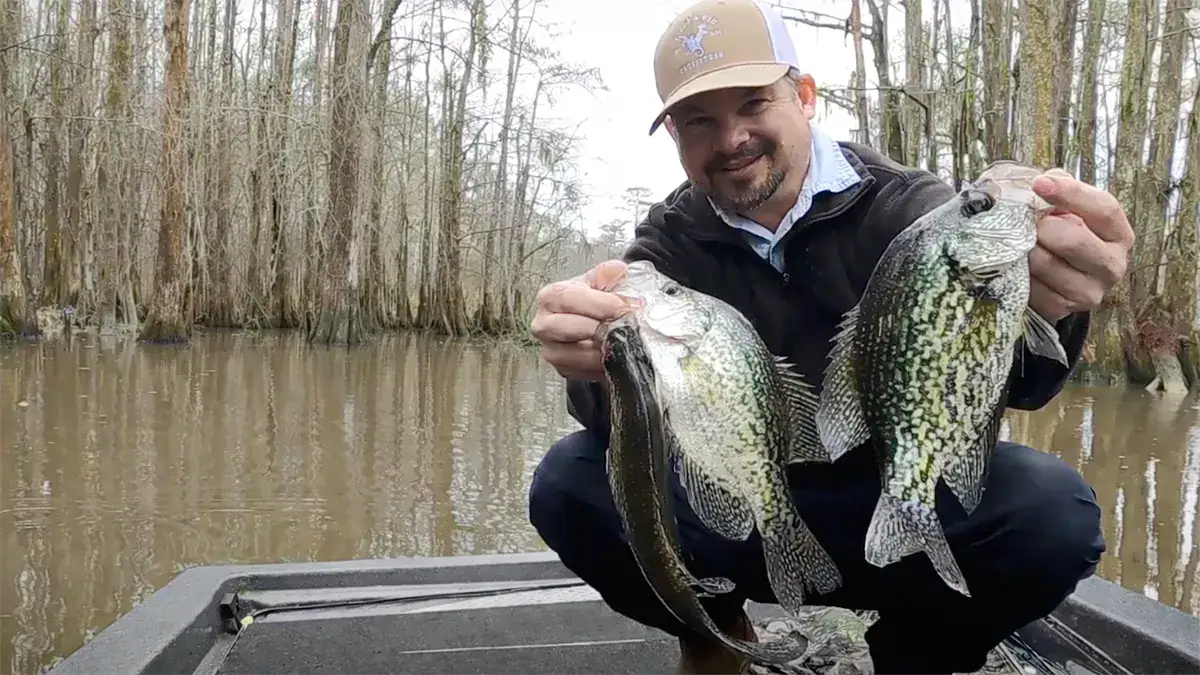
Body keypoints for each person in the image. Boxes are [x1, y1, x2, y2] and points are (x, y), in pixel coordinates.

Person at [526, 0, 1134, 672]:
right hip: (742, 503)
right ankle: (713, 629)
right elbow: (617, 427)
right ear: (674, 134)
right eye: (700, 120)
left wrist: (1053, 301)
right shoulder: (666, 246)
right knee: (567, 485)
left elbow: (1025, 384)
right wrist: (594, 360)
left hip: (892, 492)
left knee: (1053, 513)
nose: (732, 138)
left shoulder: (913, 213)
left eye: (754, 103)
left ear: (806, 97)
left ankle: (912, 654)